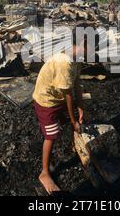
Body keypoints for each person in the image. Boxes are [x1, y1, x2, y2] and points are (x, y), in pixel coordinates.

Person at [33, 27, 88, 195]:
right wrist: (73, 121)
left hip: (58, 97)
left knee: (72, 120)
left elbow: (76, 83)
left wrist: (81, 107)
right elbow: (68, 95)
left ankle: (76, 142)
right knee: (51, 136)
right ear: (83, 43)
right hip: (46, 102)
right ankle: (44, 172)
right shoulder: (64, 62)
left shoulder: (76, 59)